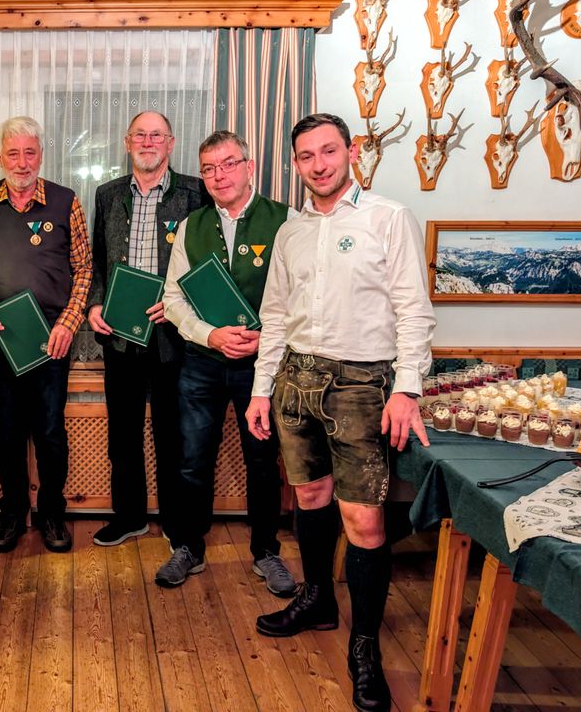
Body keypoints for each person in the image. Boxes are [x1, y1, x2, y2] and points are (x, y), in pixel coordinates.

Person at [244, 113, 436, 711]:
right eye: (306, 156)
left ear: (351, 152)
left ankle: (364, 647)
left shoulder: (389, 217)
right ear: (295, 164)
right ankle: (319, 599)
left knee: (365, 522)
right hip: (295, 380)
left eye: (329, 151)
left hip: (362, 385)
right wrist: (260, 388)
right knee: (308, 499)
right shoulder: (291, 231)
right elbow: (274, 315)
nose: (319, 164)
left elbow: (414, 310)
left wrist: (407, 389)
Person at [156, 130, 295, 594]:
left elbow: (304, 297)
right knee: (193, 460)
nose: (220, 175)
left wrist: (266, 340)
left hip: (263, 365)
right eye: (210, 168)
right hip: (201, 362)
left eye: (229, 164)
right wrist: (210, 334)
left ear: (249, 166)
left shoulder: (286, 221)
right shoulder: (190, 227)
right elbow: (173, 299)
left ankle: (266, 552)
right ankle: (188, 547)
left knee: (261, 460)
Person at [0, 116, 92, 553]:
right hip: (0, 340)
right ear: (0, 157)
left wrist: (69, 323)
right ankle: (13, 512)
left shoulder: (65, 201)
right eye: (13, 153)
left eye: (29, 151)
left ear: (41, 154)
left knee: (51, 432)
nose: (22, 161)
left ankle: (53, 514)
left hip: (51, 342)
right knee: (8, 431)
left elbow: (83, 268)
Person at [87, 111, 207, 547]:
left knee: (172, 436)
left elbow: (207, 262)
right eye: (140, 134)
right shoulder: (107, 194)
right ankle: (130, 517)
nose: (148, 141)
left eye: (156, 135)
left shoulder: (195, 192)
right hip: (120, 333)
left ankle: (177, 525)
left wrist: (181, 305)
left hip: (173, 335)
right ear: (127, 141)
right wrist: (95, 303)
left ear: (171, 144)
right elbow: (98, 259)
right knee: (123, 435)